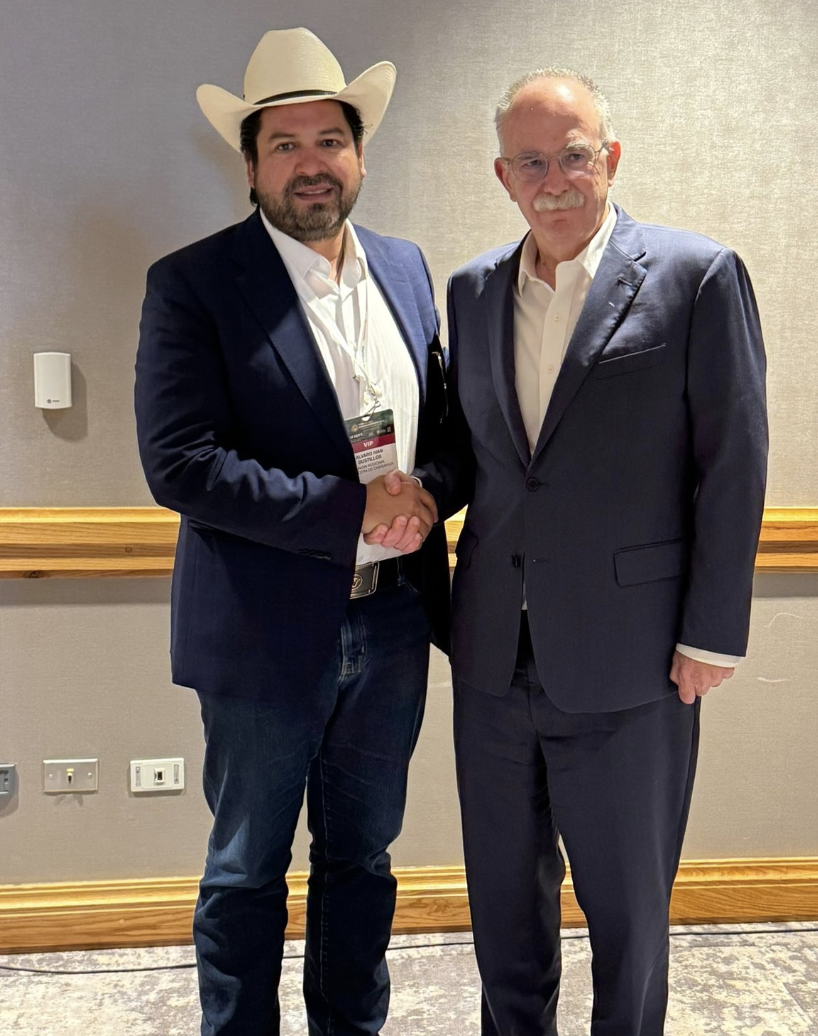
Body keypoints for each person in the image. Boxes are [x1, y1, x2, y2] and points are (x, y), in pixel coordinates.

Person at [384, 68, 768, 1035]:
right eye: (530, 163)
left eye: (573, 156)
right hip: (491, 658)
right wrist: (421, 494)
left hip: (633, 658)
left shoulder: (696, 276)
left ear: (611, 158)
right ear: (502, 176)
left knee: (628, 915)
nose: (553, 181)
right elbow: (473, 451)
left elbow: (733, 464)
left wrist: (712, 635)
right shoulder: (472, 290)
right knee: (504, 913)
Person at [134, 27, 449, 1036]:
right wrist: (351, 509)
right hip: (262, 628)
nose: (311, 163)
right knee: (246, 868)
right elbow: (181, 464)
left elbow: (447, 430)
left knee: (362, 859)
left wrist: (427, 492)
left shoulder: (405, 269)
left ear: (359, 154)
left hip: (393, 623)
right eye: (285, 144)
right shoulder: (194, 283)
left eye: (330, 140)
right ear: (250, 165)